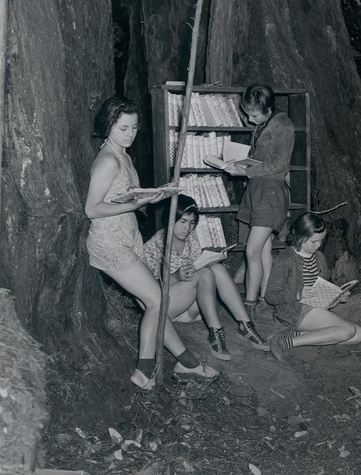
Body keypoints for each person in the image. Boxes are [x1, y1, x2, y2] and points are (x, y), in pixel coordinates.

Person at [85, 96, 218, 390]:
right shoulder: (107, 160)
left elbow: (126, 194)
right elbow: (92, 209)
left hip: (127, 238)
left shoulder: (122, 154)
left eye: (134, 127)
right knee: (158, 299)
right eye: (123, 128)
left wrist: (153, 196)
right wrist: (133, 206)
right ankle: (144, 371)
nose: (130, 134)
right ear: (108, 126)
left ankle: (187, 362)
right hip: (110, 244)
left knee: (151, 304)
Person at [143, 194, 270, 359]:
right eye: (182, 222)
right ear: (169, 219)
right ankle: (215, 332)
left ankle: (245, 325)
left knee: (216, 269)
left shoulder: (191, 241)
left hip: (192, 308)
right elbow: (147, 291)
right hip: (168, 308)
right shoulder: (155, 245)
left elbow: (200, 272)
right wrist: (174, 277)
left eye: (192, 223)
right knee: (204, 274)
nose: (187, 228)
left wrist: (211, 260)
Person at [224, 84, 294, 318]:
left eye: (253, 114)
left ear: (269, 109)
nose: (249, 118)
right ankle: (265, 298)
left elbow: (279, 165)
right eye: (247, 113)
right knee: (263, 250)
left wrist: (246, 171)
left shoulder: (282, 125)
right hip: (258, 190)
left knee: (252, 251)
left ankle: (250, 301)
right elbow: (263, 158)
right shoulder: (265, 123)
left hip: (271, 193)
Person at [265, 212, 361, 360]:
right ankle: (285, 342)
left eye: (321, 241)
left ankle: (301, 335)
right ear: (300, 237)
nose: (318, 245)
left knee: (358, 335)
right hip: (295, 310)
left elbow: (322, 285)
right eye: (313, 241)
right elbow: (270, 296)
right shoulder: (285, 259)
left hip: (318, 307)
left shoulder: (319, 257)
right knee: (347, 331)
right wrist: (297, 294)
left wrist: (337, 296)